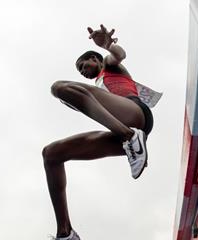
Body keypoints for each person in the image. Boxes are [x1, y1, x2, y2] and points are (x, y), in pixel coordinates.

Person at [42, 24, 154, 240]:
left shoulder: (109, 67)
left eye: (84, 65)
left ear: (96, 59)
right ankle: (65, 233)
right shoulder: (97, 85)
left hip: (135, 114)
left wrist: (109, 46)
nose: (83, 71)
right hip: (122, 136)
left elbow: (119, 55)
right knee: (51, 154)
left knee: (60, 88)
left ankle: (130, 137)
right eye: (80, 71)